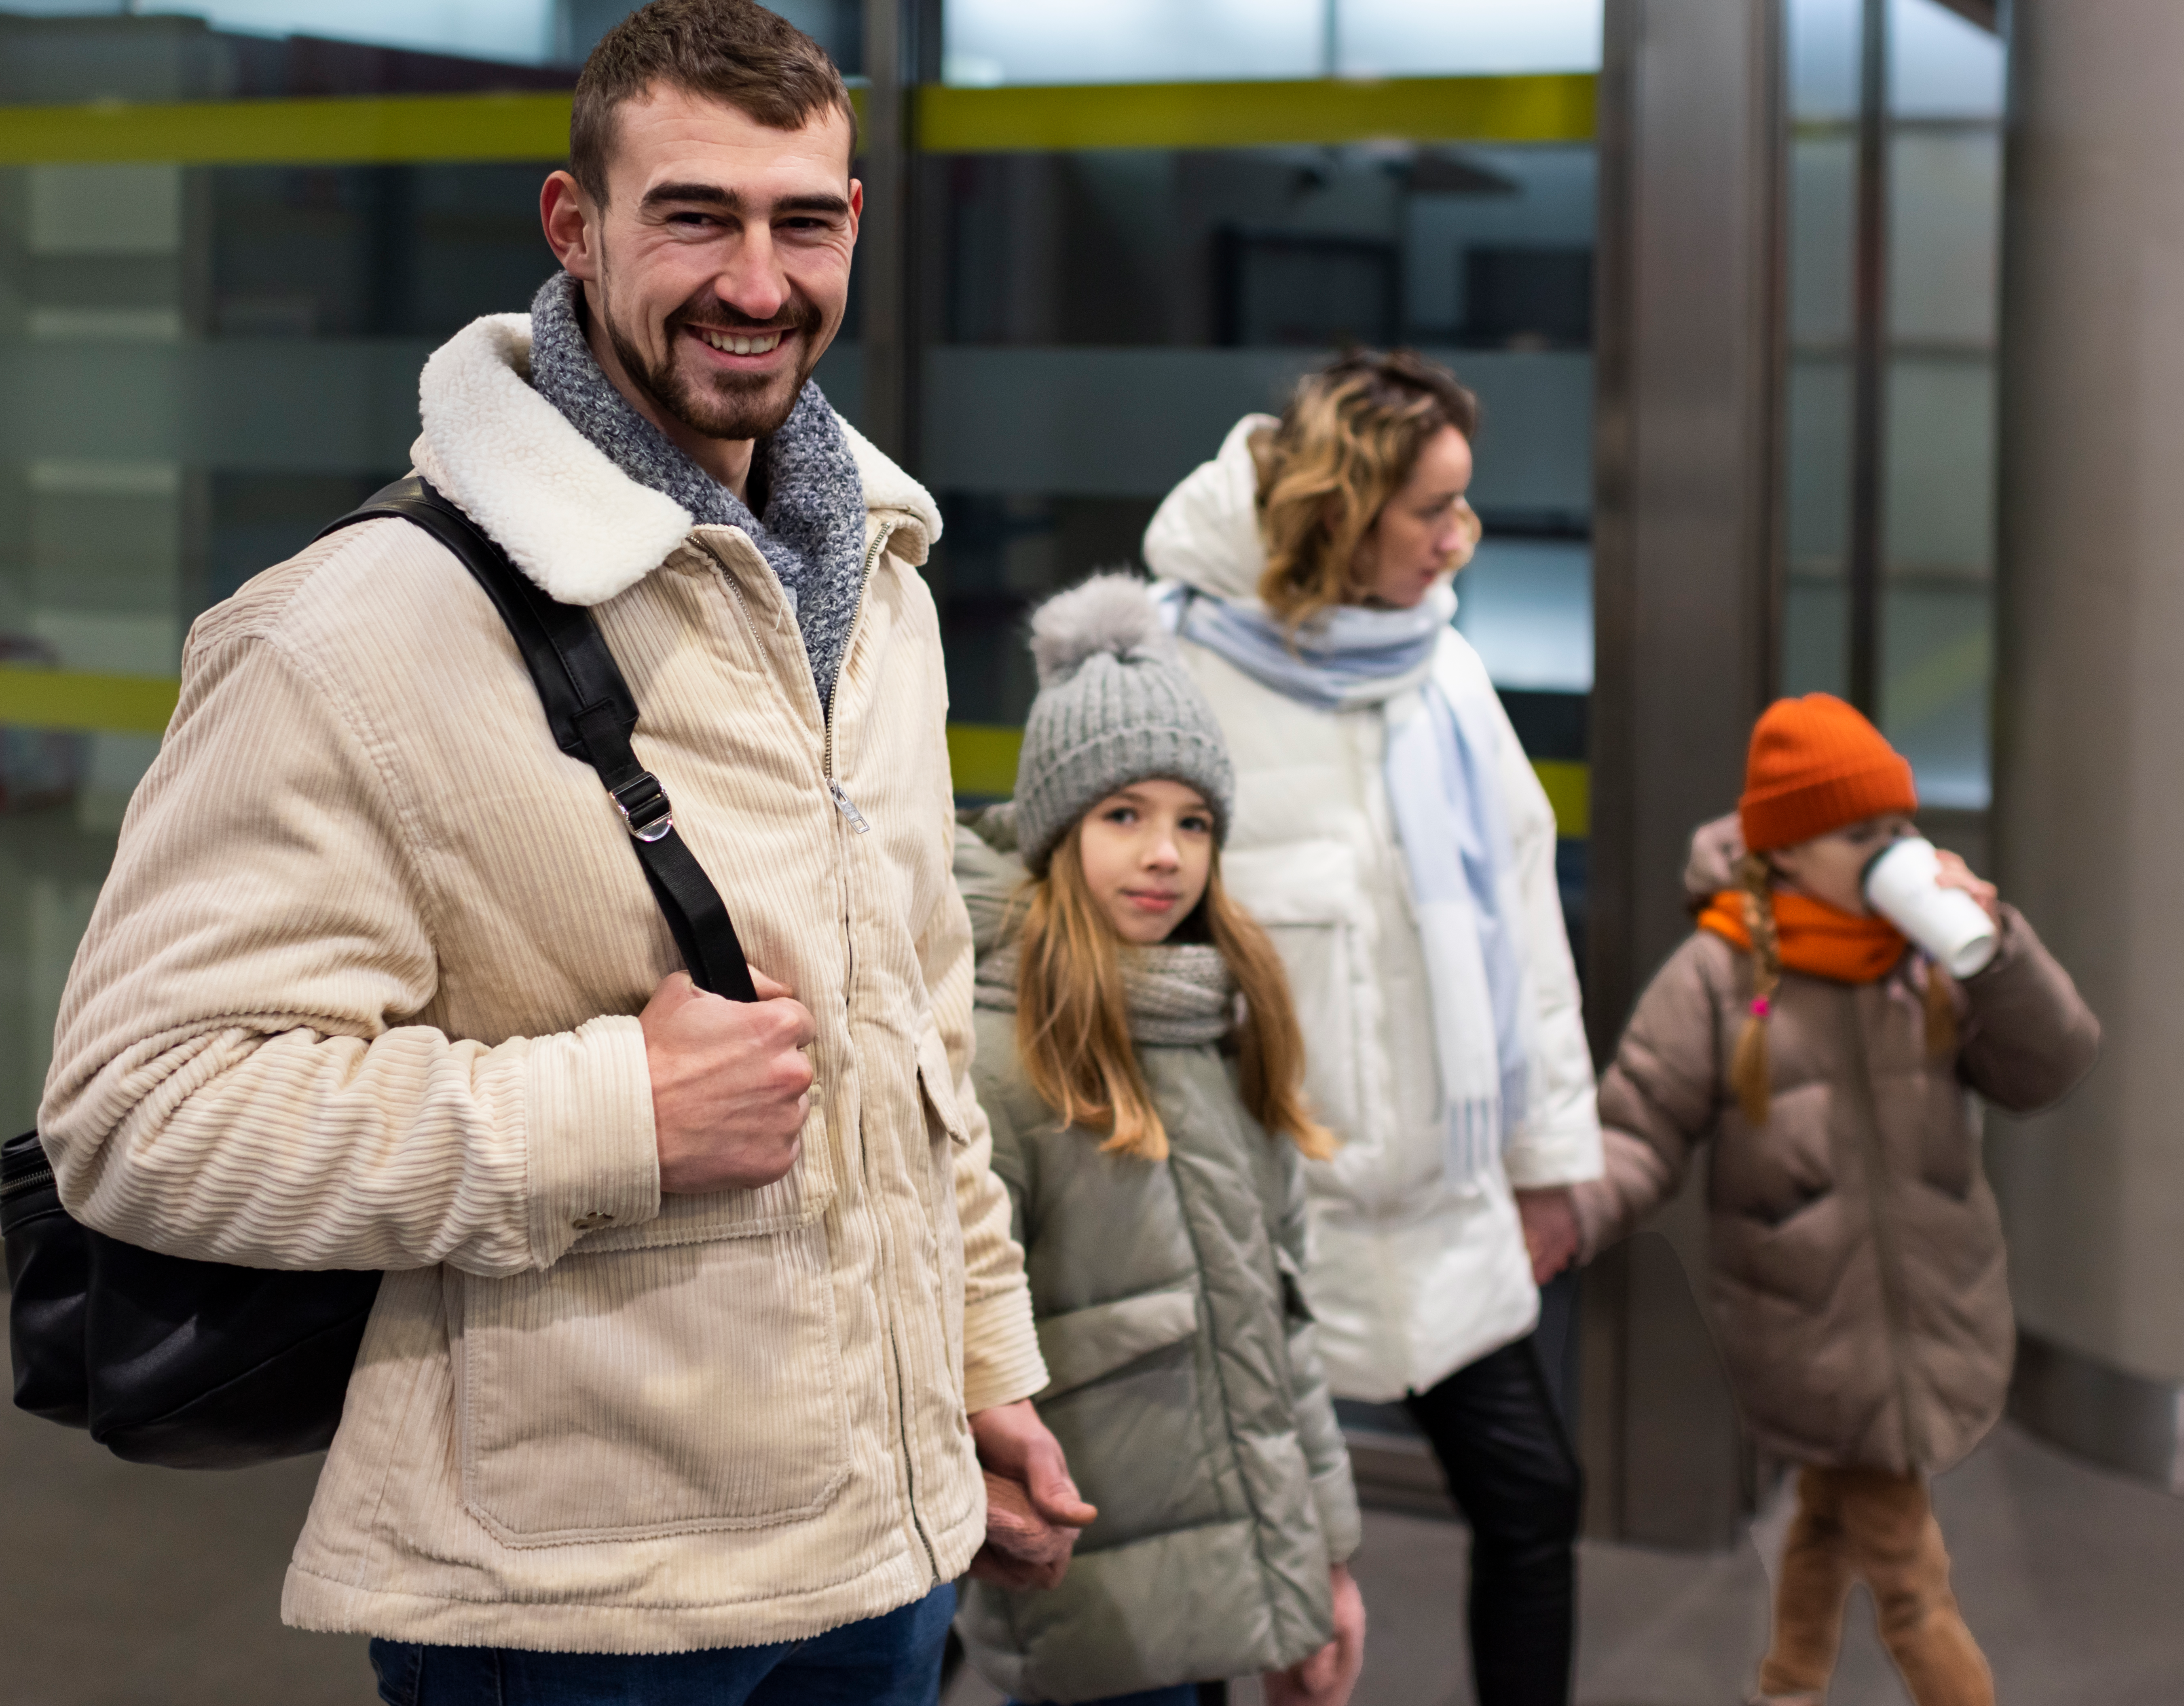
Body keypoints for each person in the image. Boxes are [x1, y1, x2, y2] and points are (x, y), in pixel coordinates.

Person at [35, 4, 1090, 1700]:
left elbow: (908, 1025)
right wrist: (616, 1113)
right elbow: (140, 1114)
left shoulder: (876, 577)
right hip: (576, 1603)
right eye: (693, 217)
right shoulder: (347, 632)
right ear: (572, 226)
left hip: (880, 1543)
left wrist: (973, 1361)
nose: (757, 281)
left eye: (800, 221)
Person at [1142, 350, 1602, 1704]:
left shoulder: (1443, 666)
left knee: (1535, 1497)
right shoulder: (1176, 670)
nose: (1461, 539)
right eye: (1433, 510)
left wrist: (1547, 1153)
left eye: (1465, 503)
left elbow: (1523, 922)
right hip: (1262, 1227)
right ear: (1341, 511)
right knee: (1238, 1565)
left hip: (1447, 1204)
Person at [1577, 694, 2100, 1706]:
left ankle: (1785, 1687)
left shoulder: (1925, 964)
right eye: (1857, 835)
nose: (1887, 852)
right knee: (1913, 1586)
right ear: (1782, 854)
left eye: (1898, 829)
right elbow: (1635, 1126)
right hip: (1809, 1335)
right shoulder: (1718, 975)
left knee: (1825, 1515)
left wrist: (2000, 950)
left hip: (1930, 1312)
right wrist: (1560, 1218)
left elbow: (2053, 1065)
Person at [947, 574, 1367, 1706]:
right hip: (1092, 1597)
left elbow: (1279, 1338)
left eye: (1191, 822)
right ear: (1055, 829)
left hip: (1224, 1585)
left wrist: (1321, 1560)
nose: (1164, 854)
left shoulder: (1222, 1025)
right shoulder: (1004, 1057)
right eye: (1122, 815)